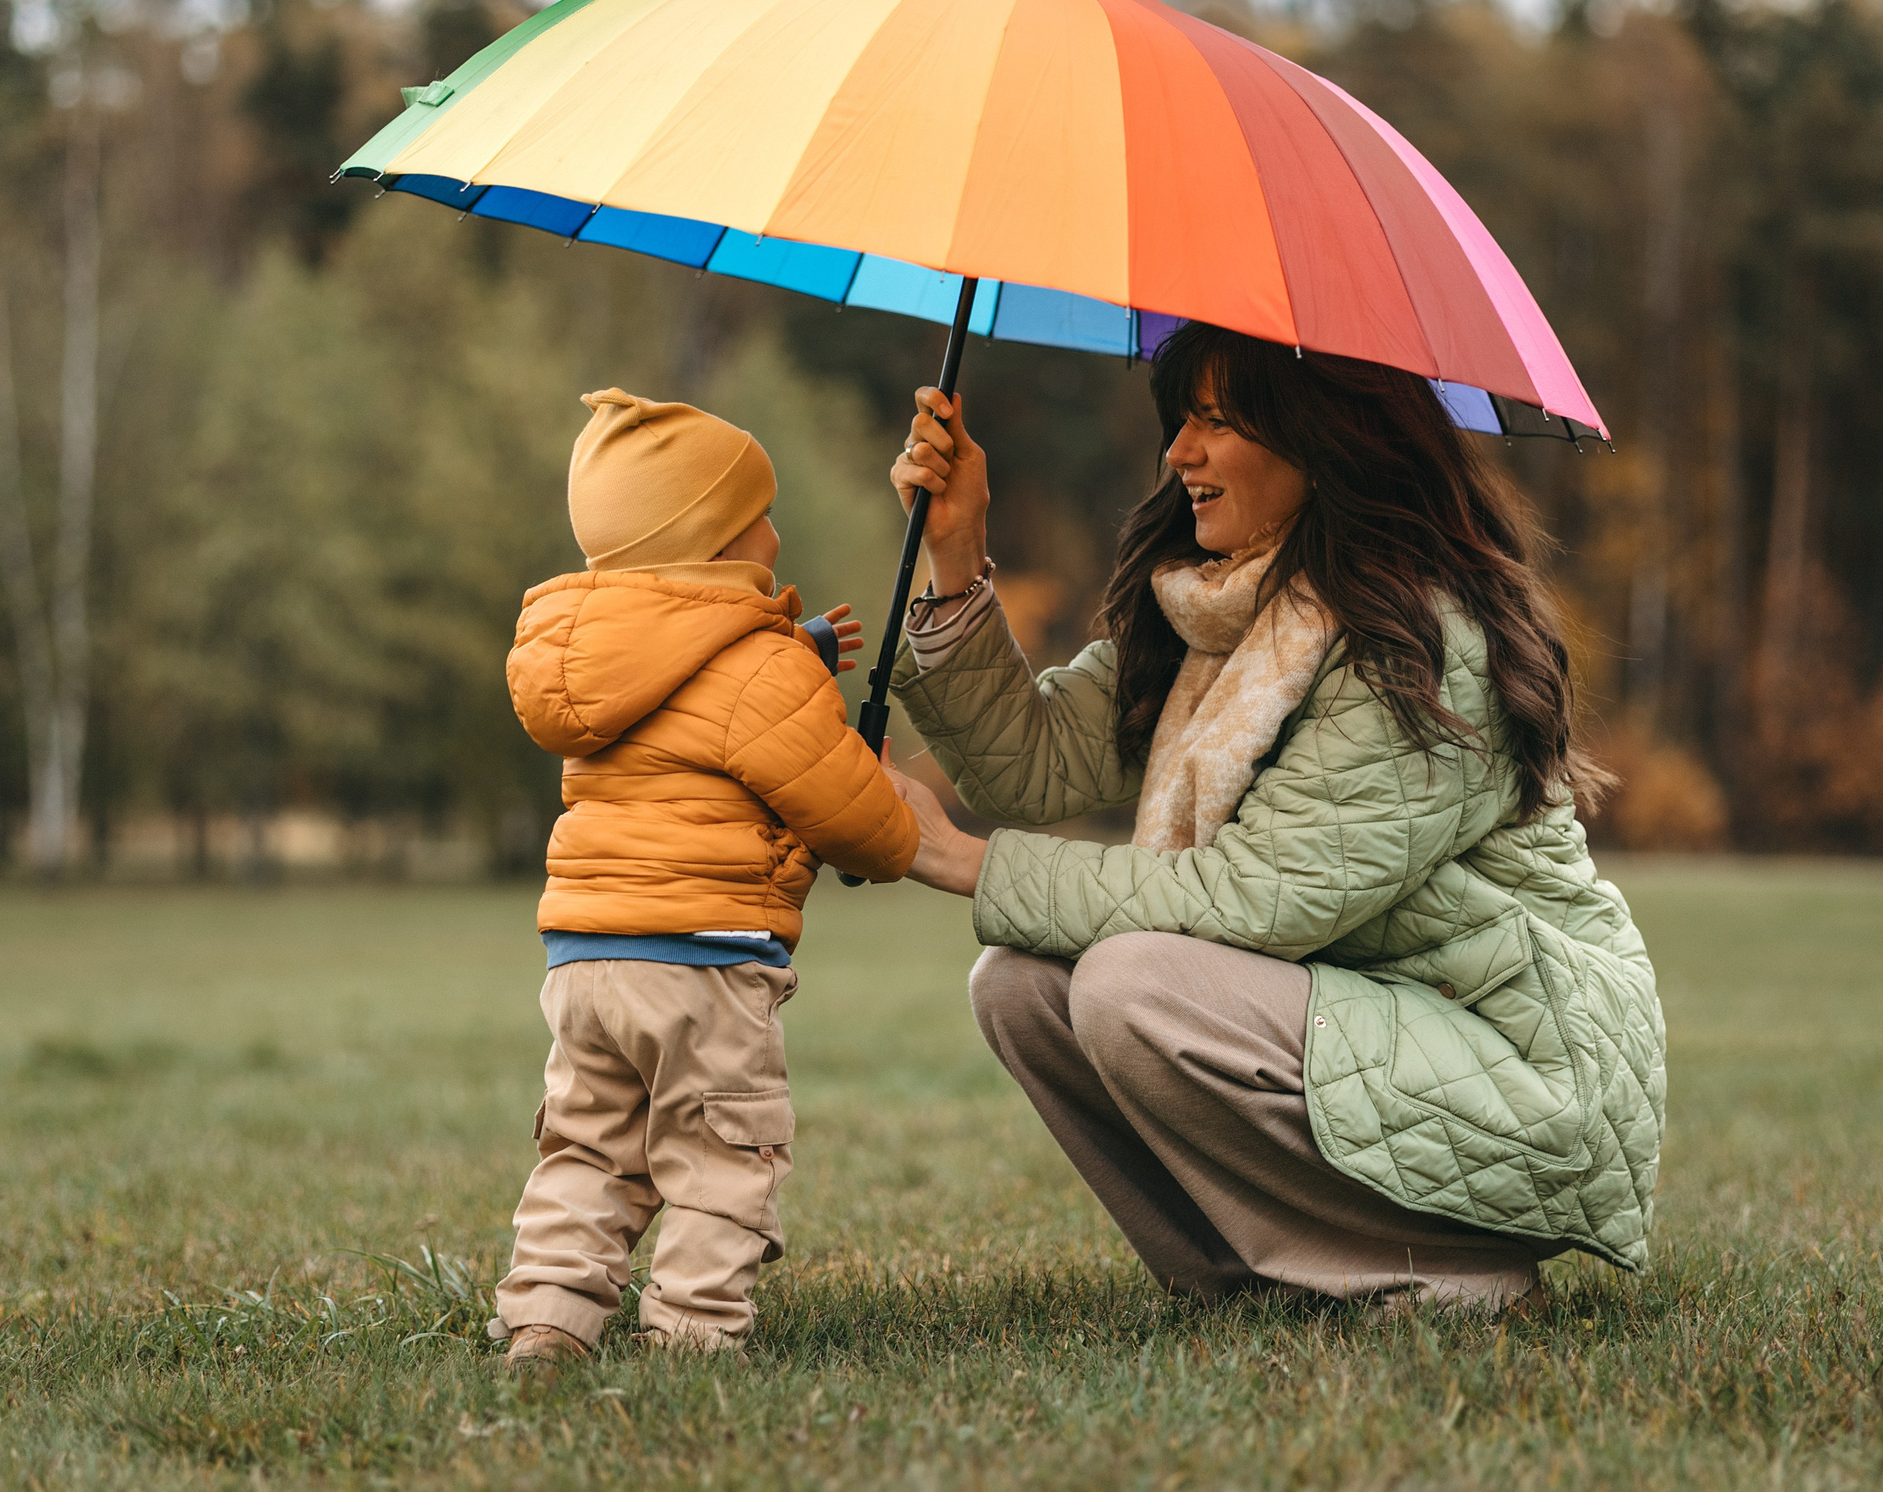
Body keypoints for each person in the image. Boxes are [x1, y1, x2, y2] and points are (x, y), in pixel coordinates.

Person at [881, 324, 1665, 1312]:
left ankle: (1447, 1270)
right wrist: (955, 556)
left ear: (1319, 436)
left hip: (1516, 1060)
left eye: (1216, 420)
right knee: (1023, 985)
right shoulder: (1222, 611)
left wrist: (957, 860)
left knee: (1130, 984)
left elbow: (1257, 901)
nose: (1178, 453)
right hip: (1367, 1022)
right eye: (1181, 420)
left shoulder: (1422, 639)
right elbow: (1031, 767)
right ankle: (1237, 1279)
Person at [488, 388, 918, 1374]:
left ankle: (549, 1322)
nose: (775, 532)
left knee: (589, 1148)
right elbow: (857, 819)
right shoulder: (761, 673)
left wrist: (797, 654)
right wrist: (883, 814)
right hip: (704, 966)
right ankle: (688, 1335)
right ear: (716, 543)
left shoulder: (591, 663)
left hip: (586, 960)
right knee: (721, 1156)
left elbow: (684, 686)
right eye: (757, 516)